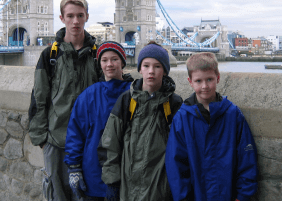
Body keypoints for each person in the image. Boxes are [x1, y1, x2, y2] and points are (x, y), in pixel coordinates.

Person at [28, 0, 99, 201]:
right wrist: (42, 141)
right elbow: (39, 99)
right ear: (62, 18)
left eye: (80, 15)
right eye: (70, 16)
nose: (75, 21)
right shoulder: (50, 55)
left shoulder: (98, 54)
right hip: (56, 141)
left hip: (90, 143)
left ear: (87, 17)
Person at [165, 52, 258, 201]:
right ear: (190, 82)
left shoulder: (233, 114)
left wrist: (243, 195)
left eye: (209, 79)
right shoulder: (182, 118)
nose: (205, 86)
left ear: (218, 78)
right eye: (198, 81)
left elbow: (247, 157)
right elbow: (175, 165)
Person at [98, 41, 183, 201]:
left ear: (165, 70)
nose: (151, 71)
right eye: (146, 65)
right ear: (139, 69)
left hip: (160, 190)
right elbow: (110, 145)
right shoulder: (127, 100)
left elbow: (182, 150)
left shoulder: (174, 104)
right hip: (128, 189)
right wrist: (112, 183)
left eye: (157, 66)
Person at [64, 41, 133, 201]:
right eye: (104, 60)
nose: (110, 64)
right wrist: (74, 168)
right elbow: (75, 133)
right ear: (99, 63)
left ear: (122, 62)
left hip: (127, 174)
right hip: (94, 174)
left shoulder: (135, 93)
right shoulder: (88, 96)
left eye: (114, 59)